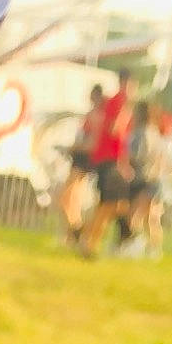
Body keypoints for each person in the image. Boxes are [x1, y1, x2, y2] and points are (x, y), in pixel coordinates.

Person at [80, 72, 138, 259]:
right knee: (108, 205)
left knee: (118, 205)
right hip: (108, 160)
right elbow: (115, 131)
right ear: (126, 84)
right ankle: (89, 242)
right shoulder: (119, 103)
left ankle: (92, 237)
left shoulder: (119, 104)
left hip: (112, 160)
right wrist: (123, 162)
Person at [59, 83, 107, 246]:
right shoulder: (96, 115)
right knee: (73, 198)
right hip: (83, 158)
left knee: (67, 198)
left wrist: (73, 147)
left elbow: (92, 143)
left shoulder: (96, 116)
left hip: (82, 158)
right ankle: (72, 233)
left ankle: (76, 228)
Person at [124, 104, 170, 258]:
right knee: (152, 217)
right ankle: (155, 249)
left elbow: (137, 156)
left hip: (144, 178)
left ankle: (135, 244)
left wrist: (124, 160)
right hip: (157, 179)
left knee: (134, 214)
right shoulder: (156, 133)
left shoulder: (140, 134)